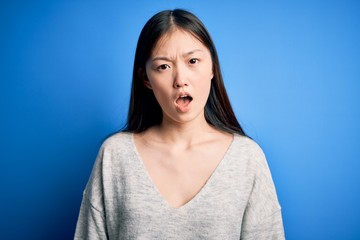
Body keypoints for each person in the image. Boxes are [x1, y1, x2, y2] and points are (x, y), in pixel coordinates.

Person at [74, 9, 285, 240]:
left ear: (212, 67)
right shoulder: (115, 156)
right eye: (163, 66)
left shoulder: (247, 158)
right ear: (146, 78)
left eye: (193, 61)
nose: (180, 80)